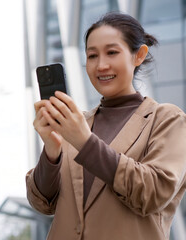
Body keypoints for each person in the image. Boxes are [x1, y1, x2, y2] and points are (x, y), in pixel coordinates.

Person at [26, 12, 186, 240]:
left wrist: (84, 141)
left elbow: (153, 193)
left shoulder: (167, 119)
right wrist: (51, 150)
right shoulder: (78, 124)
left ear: (138, 55)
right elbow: (41, 203)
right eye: (92, 56)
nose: (101, 65)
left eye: (112, 52)